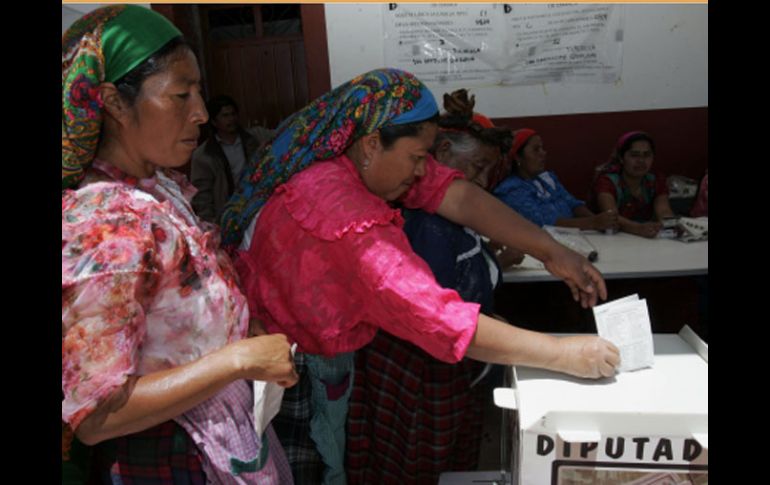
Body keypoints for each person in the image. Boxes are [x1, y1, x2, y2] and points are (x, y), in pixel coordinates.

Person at [221, 68, 620, 484]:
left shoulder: (349, 156)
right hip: (290, 374)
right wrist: (565, 353)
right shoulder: (347, 220)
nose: (421, 170)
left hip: (311, 351)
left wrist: (553, 251)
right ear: (372, 144)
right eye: (416, 158)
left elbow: (458, 196)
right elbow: (440, 319)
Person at [62, 6, 298, 483]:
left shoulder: (157, 187)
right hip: (167, 457)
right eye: (180, 94)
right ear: (113, 101)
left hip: (214, 432)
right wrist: (236, 360)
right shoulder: (107, 223)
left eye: (200, 92)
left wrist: (238, 331)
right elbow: (98, 414)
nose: (202, 113)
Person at [346, 90, 520, 484]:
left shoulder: (443, 219)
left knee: (446, 465)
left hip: (450, 364)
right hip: (423, 373)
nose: (478, 183)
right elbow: (440, 317)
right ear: (437, 151)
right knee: (417, 466)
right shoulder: (425, 225)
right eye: (475, 168)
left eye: (487, 173)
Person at [494, 128, 619, 231]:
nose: (543, 153)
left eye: (542, 148)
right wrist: (593, 223)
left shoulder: (547, 179)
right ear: (518, 158)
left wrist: (601, 222)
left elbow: (573, 204)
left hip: (577, 237)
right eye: (536, 149)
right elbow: (544, 224)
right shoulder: (511, 190)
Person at [190, 95, 273, 224]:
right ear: (214, 121)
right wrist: (210, 224)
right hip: (228, 213)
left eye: (233, 114)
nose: (231, 119)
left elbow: (282, 135)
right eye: (225, 116)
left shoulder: (255, 137)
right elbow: (201, 195)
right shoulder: (204, 155)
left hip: (257, 204)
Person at [590, 131, 676, 238]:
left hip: (645, 237)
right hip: (609, 239)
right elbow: (611, 216)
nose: (641, 161)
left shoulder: (656, 180)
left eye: (647, 155)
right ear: (621, 158)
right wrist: (637, 228)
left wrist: (670, 225)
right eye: (634, 155)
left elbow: (664, 211)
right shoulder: (607, 182)